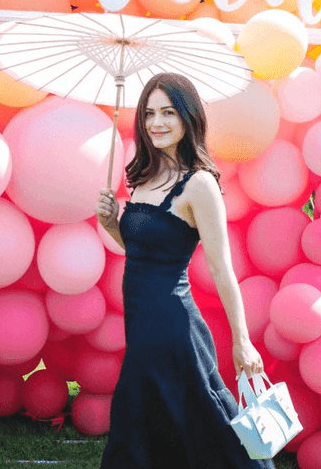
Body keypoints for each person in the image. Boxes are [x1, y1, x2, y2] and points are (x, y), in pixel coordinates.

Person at [95, 72, 275, 469]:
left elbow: (221, 267)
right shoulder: (141, 178)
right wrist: (112, 225)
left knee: (198, 428)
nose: (156, 123)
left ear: (188, 118)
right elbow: (144, 255)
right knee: (152, 426)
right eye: (149, 113)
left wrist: (242, 341)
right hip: (141, 327)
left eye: (168, 113)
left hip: (173, 330)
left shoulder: (199, 185)